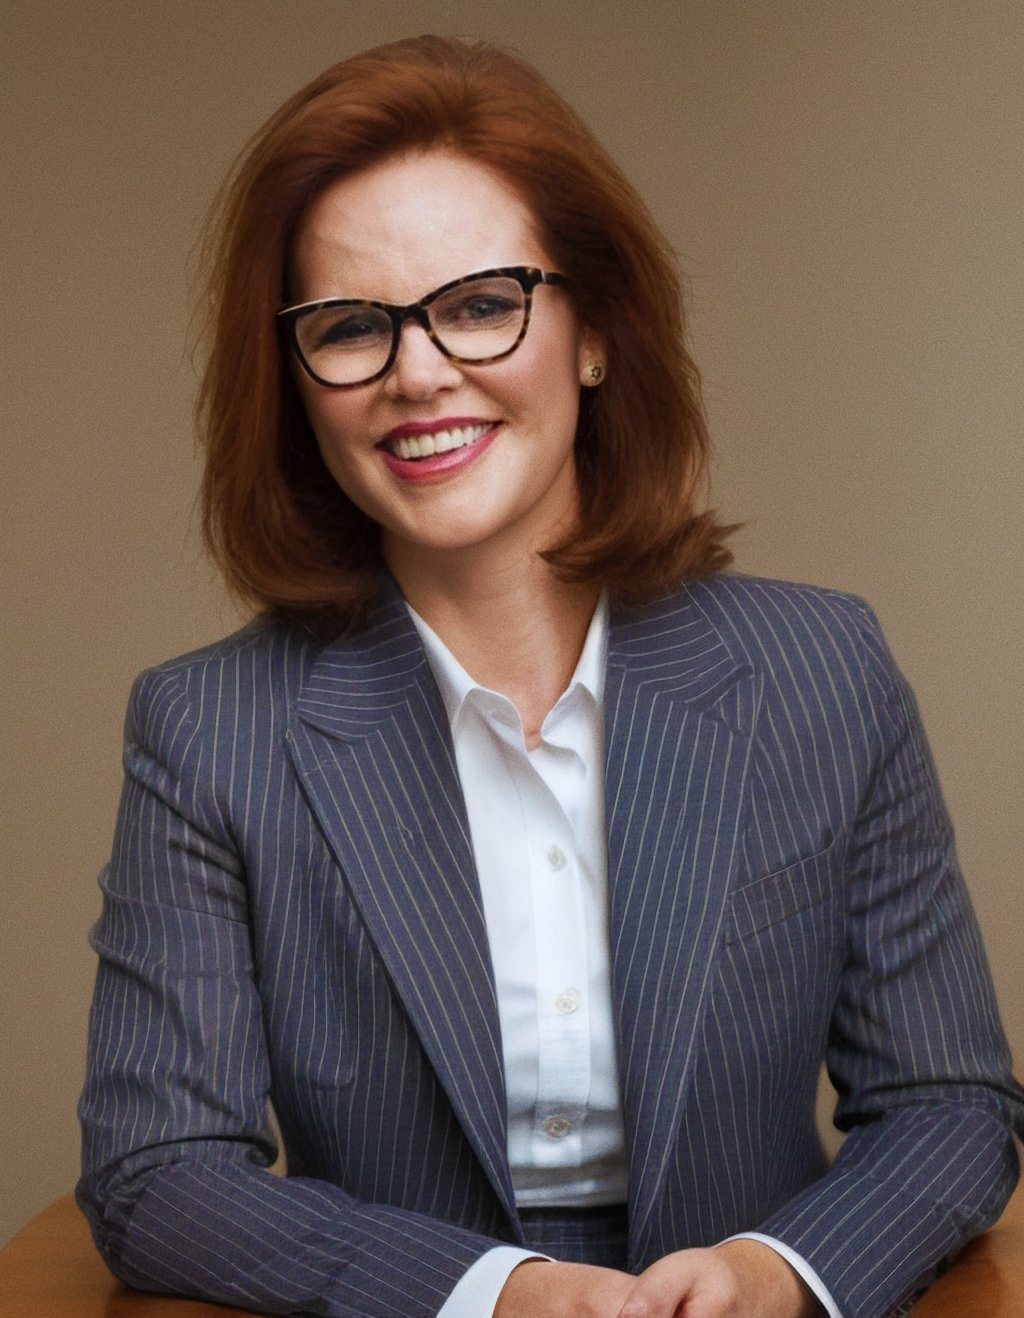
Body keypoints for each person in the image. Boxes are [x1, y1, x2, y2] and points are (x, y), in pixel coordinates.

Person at [77, 34, 1022, 1318]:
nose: (417, 372)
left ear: (595, 332)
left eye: (479, 304)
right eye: (349, 326)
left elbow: (948, 1103)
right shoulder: (207, 726)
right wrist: (494, 1293)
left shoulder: (819, 668)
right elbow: (158, 1177)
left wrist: (778, 1275)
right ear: (296, 384)